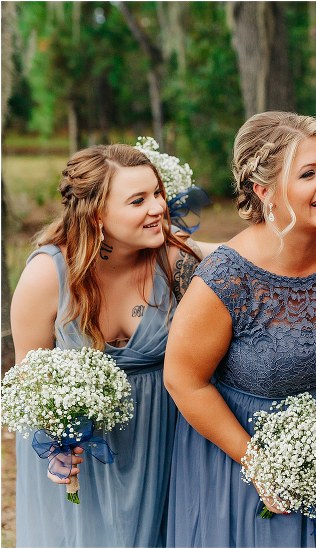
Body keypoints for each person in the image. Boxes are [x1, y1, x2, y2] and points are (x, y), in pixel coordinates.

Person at [163, 111, 316, 547]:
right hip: (245, 467)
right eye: (308, 173)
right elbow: (183, 380)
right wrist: (260, 465)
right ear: (264, 191)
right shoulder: (227, 280)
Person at [10, 144, 212, 547]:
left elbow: (248, 258)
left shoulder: (174, 259)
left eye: (157, 193)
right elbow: (29, 379)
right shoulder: (48, 276)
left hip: (160, 444)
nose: (158, 207)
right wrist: (57, 441)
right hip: (79, 458)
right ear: (96, 214)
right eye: (138, 200)